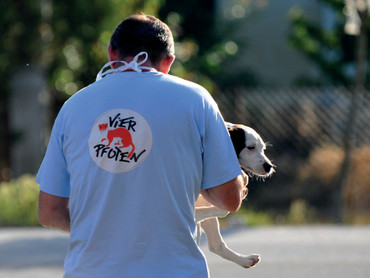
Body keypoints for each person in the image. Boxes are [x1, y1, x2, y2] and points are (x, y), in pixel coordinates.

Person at [36, 14, 247, 278]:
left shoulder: (73, 106)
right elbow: (229, 199)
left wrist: (104, 231)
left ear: (112, 54)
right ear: (169, 62)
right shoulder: (196, 99)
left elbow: (49, 212)